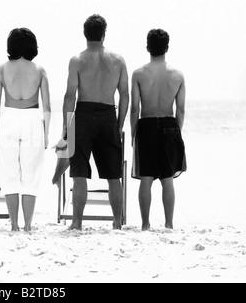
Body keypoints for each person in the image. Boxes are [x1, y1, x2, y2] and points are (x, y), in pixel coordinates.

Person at [62, 14, 129, 230]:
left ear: (85, 34)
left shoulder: (77, 60)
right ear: (104, 34)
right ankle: (117, 223)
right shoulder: (118, 60)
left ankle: (76, 223)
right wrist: (119, 124)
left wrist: (66, 125)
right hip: (108, 114)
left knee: (79, 173)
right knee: (113, 175)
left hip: (83, 115)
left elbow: (70, 96)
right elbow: (125, 95)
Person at [0, 28, 51, 232]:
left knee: (9, 174)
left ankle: (14, 225)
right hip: (33, 119)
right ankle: (27, 225)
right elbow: (48, 107)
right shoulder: (39, 70)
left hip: (8, 119)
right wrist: (47, 133)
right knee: (30, 176)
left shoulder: (1, 69)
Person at [130, 28, 186, 231]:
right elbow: (180, 109)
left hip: (146, 124)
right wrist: (176, 132)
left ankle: (145, 225)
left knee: (145, 179)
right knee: (167, 179)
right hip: (170, 126)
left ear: (147, 47)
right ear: (167, 48)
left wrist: (134, 132)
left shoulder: (138, 73)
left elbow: (135, 107)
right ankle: (169, 224)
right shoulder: (177, 75)